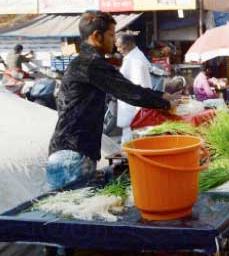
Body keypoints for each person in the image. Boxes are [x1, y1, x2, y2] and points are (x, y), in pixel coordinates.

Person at [47, 11, 178, 190]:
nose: (113, 42)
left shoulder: (84, 62)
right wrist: (166, 104)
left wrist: (162, 96)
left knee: (70, 212)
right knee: (73, 214)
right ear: (96, 36)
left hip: (69, 151)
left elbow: (126, 86)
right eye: (110, 35)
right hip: (73, 154)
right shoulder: (91, 64)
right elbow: (127, 91)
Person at [115, 32, 152, 144]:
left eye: (120, 46)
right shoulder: (132, 57)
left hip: (133, 114)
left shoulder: (135, 60)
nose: (118, 50)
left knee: (131, 145)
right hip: (130, 112)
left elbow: (139, 86)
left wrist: (138, 114)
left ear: (129, 44)